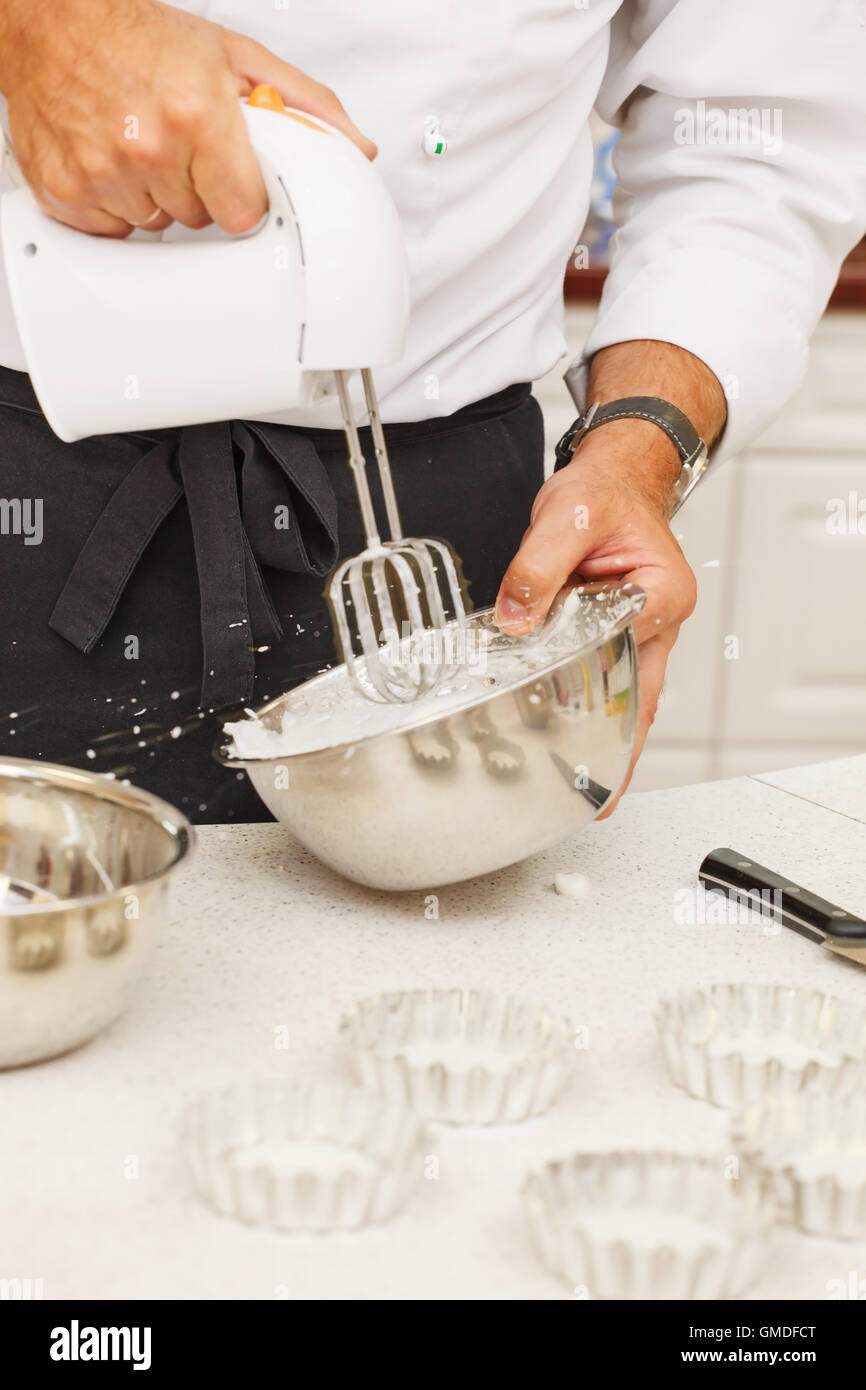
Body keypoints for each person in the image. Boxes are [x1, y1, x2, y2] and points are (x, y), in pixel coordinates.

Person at [0, 0, 862, 821]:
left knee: (438, 954)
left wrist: (637, 458)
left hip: (453, 521)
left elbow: (755, 152)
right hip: (36, 482)